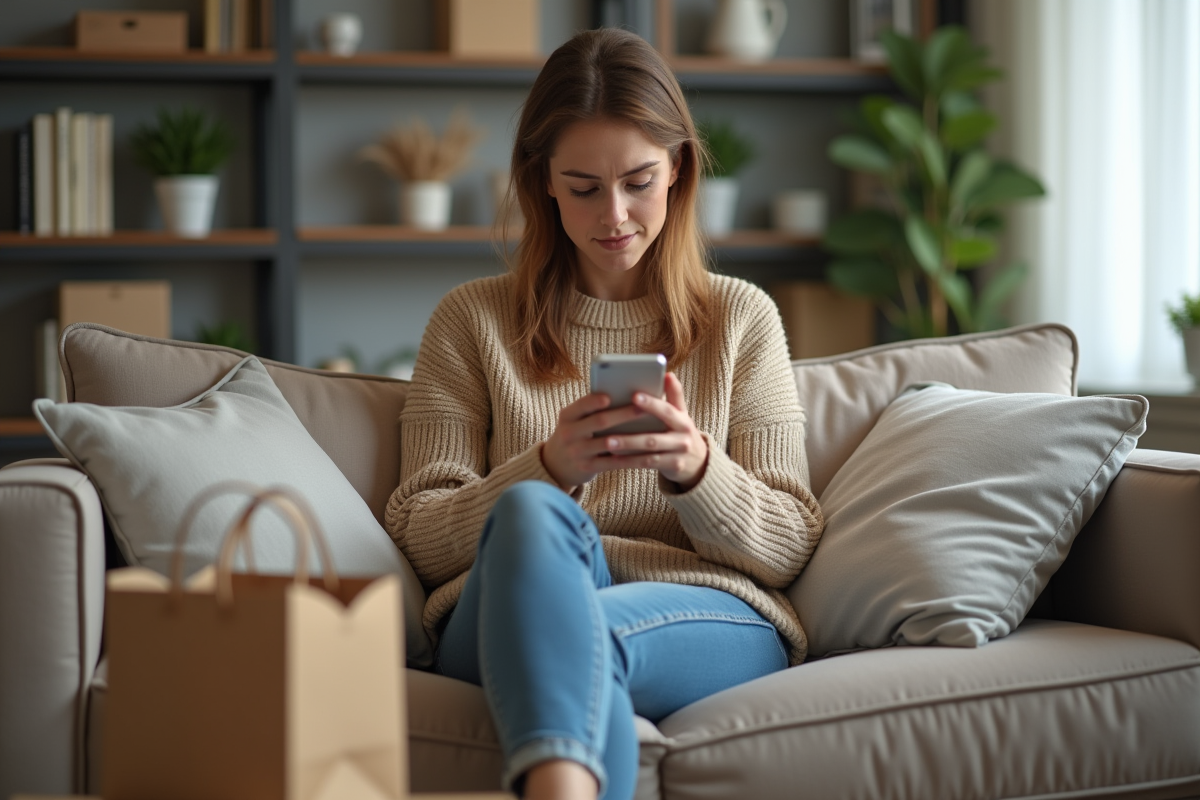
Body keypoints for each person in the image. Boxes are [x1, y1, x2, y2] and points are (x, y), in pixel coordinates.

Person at [385, 27, 824, 800]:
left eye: (639, 181)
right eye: (583, 187)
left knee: (580, 650)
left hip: (698, 611)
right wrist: (549, 468)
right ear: (542, 182)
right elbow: (419, 535)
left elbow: (789, 545)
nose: (614, 214)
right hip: (506, 604)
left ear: (680, 171)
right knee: (527, 513)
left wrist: (697, 471)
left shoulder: (742, 319)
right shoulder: (470, 321)